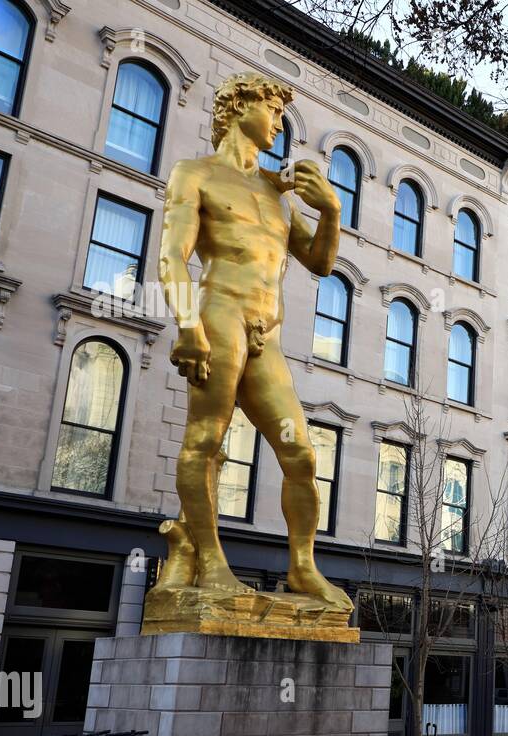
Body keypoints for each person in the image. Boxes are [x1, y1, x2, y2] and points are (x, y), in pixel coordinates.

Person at [152, 72, 351, 613]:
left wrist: (330, 210)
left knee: (301, 454)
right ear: (240, 108)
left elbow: (322, 263)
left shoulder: (276, 193)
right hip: (219, 317)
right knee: (206, 441)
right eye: (274, 111)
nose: (280, 123)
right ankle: (209, 561)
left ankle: (303, 566)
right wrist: (188, 324)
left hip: (268, 334)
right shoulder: (195, 174)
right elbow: (172, 256)